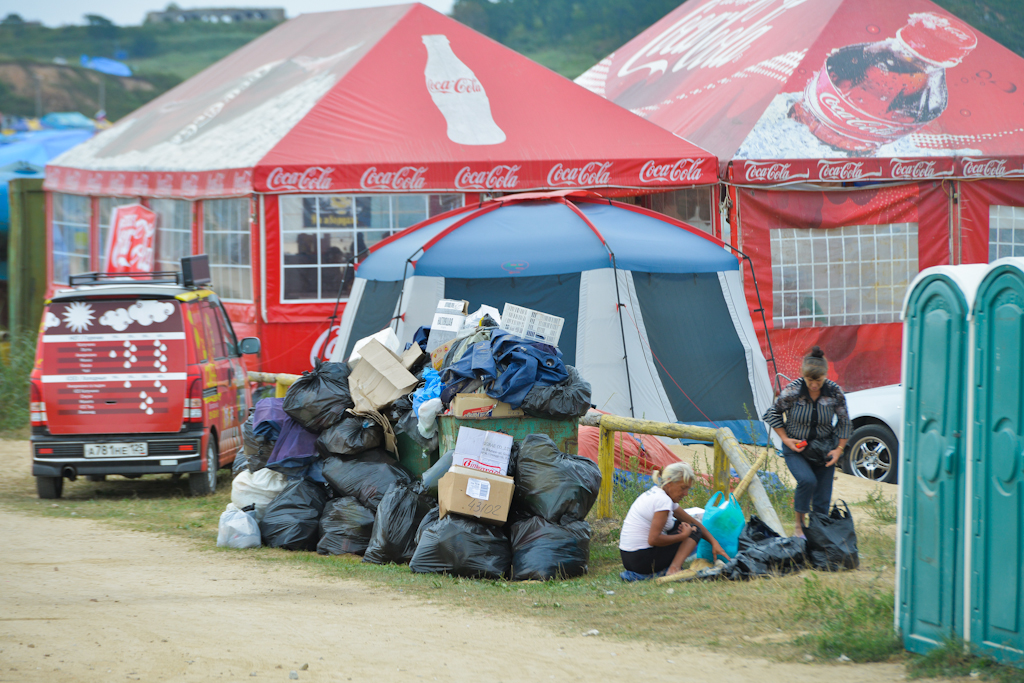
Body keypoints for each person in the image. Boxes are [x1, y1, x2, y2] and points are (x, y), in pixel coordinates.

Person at [762, 346, 851, 538]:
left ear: (825, 375)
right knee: (807, 480)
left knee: (822, 497)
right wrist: (785, 439)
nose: (814, 385)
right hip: (797, 447)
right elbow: (773, 413)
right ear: (803, 375)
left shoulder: (834, 392)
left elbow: (844, 421)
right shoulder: (793, 390)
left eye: (818, 380)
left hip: (825, 448)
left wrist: (839, 449)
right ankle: (799, 526)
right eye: (810, 380)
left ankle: (818, 533)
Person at [619, 462, 729, 576]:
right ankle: (673, 569)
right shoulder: (663, 501)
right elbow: (653, 540)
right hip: (642, 561)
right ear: (669, 482)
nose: (686, 493)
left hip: (629, 559)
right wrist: (683, 536)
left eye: (688, 489)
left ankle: (672, 566)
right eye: (683, 488)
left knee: (686, 525)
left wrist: (714, 542)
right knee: (693, 530)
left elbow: (691, 521)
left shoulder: (657, 493)